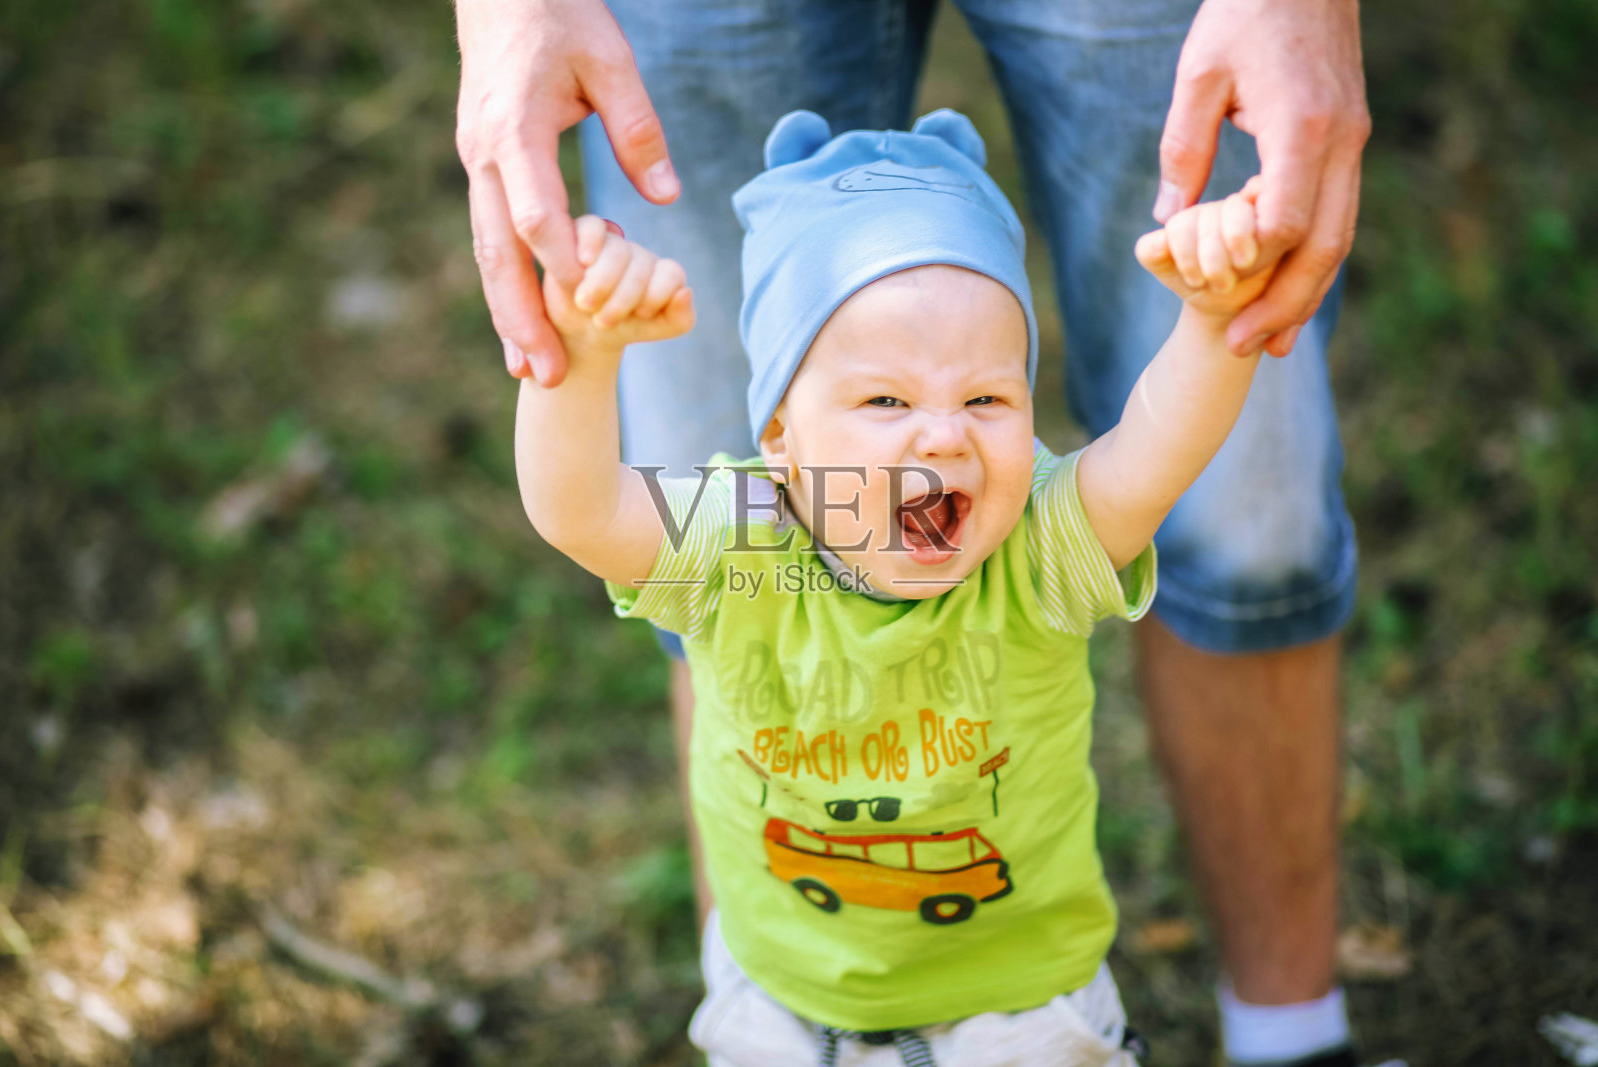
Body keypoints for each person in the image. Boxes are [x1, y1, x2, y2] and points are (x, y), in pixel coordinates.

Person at [456, 2, 1371, 1064]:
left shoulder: (1036, 551)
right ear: (781, 438)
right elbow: (574, 509)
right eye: (885, 402)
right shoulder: (740, 544)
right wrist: (585, 356)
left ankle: (1293, 1035)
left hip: (1021, 1016)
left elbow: (1160, 440)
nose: (944, 433)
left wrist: (1213, 324)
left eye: (989, 399)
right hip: (781, 1006)